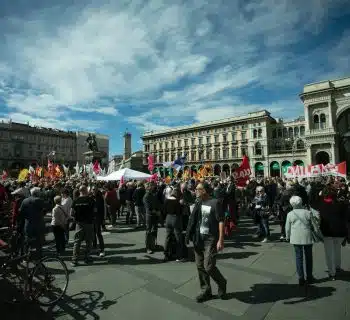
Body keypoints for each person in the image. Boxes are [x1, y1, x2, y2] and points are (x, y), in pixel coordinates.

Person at [185, 182, 227, 303]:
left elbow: (221, 221)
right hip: (198, 238)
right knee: (199, 265)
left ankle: (221, 282)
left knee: (208, 266)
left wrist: (221, 239)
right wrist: (188, 235)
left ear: (205, 191)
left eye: (198, 189)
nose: (196, 190)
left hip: (210, 239)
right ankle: (205, 290)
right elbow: (192, 219)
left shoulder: (215, 203)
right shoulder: (198, 202)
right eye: (196, 189)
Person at [318, 186, 349, 280]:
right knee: (337, 250)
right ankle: (337, 266)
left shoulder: (321, 204)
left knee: (329, 253)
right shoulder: (341, 204)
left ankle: (332, 272)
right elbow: (346, 218)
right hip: (340, 231)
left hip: (327, 231)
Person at [285, 196, 317, 286]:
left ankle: (301, 278)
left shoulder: (290, 214)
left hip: (296, 238)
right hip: (307, 236)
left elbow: (287, 228)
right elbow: (313, 225)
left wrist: (287, 237)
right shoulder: (308, 212)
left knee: (299, 258)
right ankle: (309, 277)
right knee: (309, 257)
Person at [71, 185, 95, 266]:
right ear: (85, 190)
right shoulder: (91, 200)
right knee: (89, 241)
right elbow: (95, 211)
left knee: (77, 242)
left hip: (79, 223)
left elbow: (72, 213)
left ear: (80, 191)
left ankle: (74, 260)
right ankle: (87, 258)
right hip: (89, 223)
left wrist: (76, 218)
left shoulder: (75, 200)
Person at [163, 188, 184, 262]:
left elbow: (164, 211)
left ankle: (166, 254)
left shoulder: (166, 200)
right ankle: (179, 256)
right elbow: (180, 212)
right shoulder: (177, 202)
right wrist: (181, 205)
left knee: (167, 236)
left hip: (168, 218)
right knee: (178, 237)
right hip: (175, 218)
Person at [143, 182, 160, 254]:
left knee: (154, 230)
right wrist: (156, 212)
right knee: (148, 232)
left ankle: (153, 245)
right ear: (148, 187)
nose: (153, 187)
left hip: (154, 215)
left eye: (153, 186)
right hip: (149, 216)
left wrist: (158, 210)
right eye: (152, 186)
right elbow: (148, 208)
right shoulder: (146, 196)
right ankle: (148, 247)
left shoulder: (153, 195)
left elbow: (156, 204)